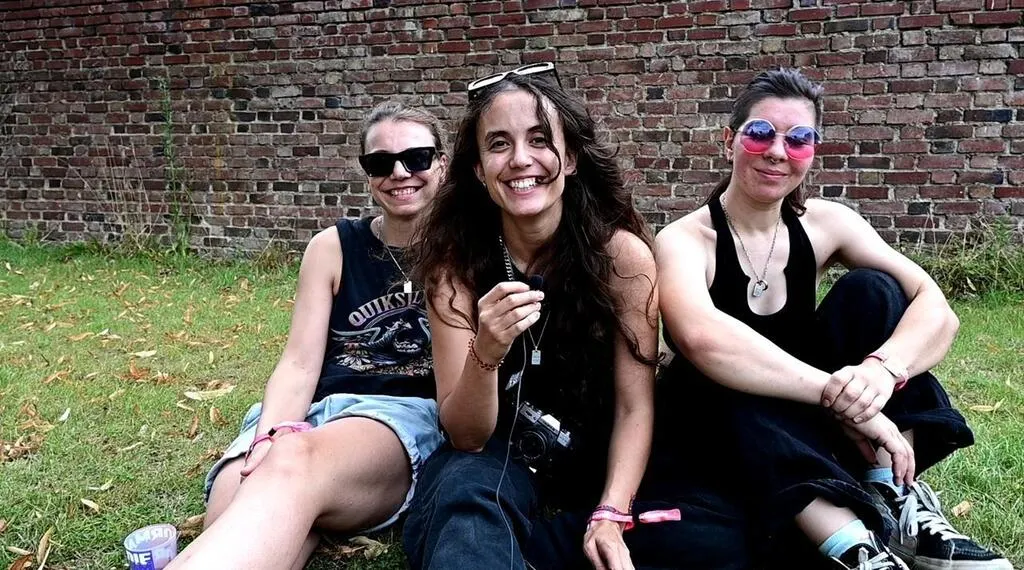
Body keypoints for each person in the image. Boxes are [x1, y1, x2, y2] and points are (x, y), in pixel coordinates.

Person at [648, 68, 1011, 569]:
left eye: (799, 139)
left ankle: (893, 498)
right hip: (721, 431)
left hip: (809, 421)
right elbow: (701, 338)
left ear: (813, 151)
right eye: (760, 133)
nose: (778, 152)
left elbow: (936, 308)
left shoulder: (827, 223)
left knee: (874, 291)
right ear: (728, 141)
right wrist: (840, 397)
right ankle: (856, 550)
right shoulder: (684, 240)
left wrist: (879, 373)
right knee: (724, 367)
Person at [400, 63, 667, 570]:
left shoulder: (622, 259)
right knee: (465, 501)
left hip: (600, 454)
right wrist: (486, 351)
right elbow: (466, 436)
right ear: (478, 170)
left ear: (571, 157)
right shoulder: (454, 268)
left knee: (698, 532)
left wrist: (612, 511)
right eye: (499, 144)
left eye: (540, 139)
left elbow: (635, 406)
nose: (521, 159)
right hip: (499, 457)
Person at [166, 101, 447, 570]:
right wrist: (267, 437)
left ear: (442, 162)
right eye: (381, 163)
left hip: (395, 419)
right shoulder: (332, 247)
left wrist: (285, 448)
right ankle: (311, 512)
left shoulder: (463, 252)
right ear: (366, 172)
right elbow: (298, 363)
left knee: (285, 474)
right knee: (233, 505)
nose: (399, 173)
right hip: (310, 415)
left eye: (416, 157)